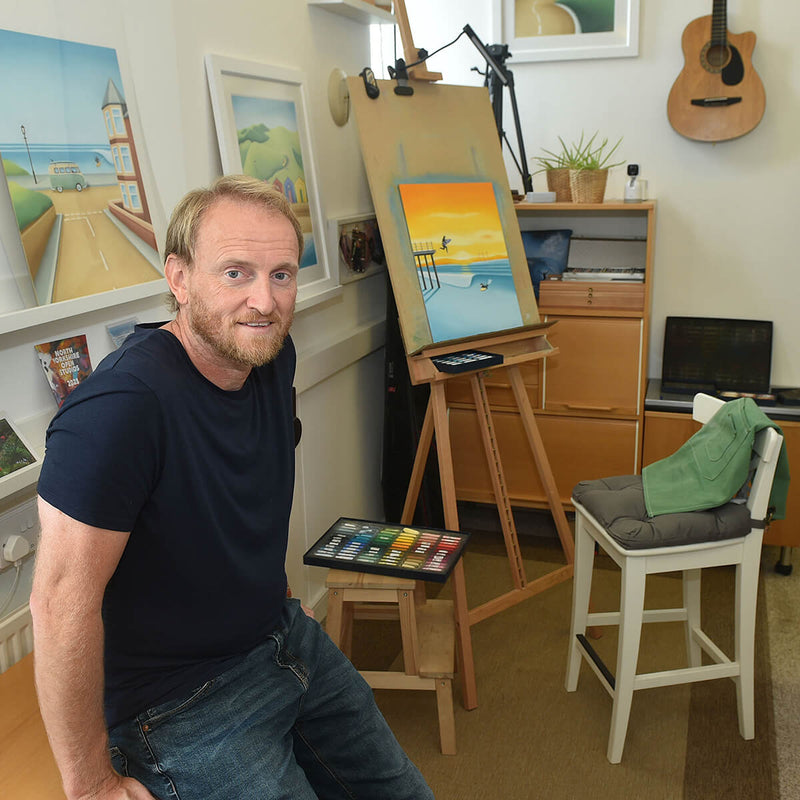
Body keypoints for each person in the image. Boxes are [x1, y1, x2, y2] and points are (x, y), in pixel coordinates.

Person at [31, 175, 434, 800]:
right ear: (179, 277)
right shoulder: (118, 410)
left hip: (281, 638)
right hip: (179, 702)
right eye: (235, 273)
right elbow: (59, 605)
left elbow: (233, 505)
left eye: (281, 274)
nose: (264, 301)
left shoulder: (271, 357)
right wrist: (90, 786)